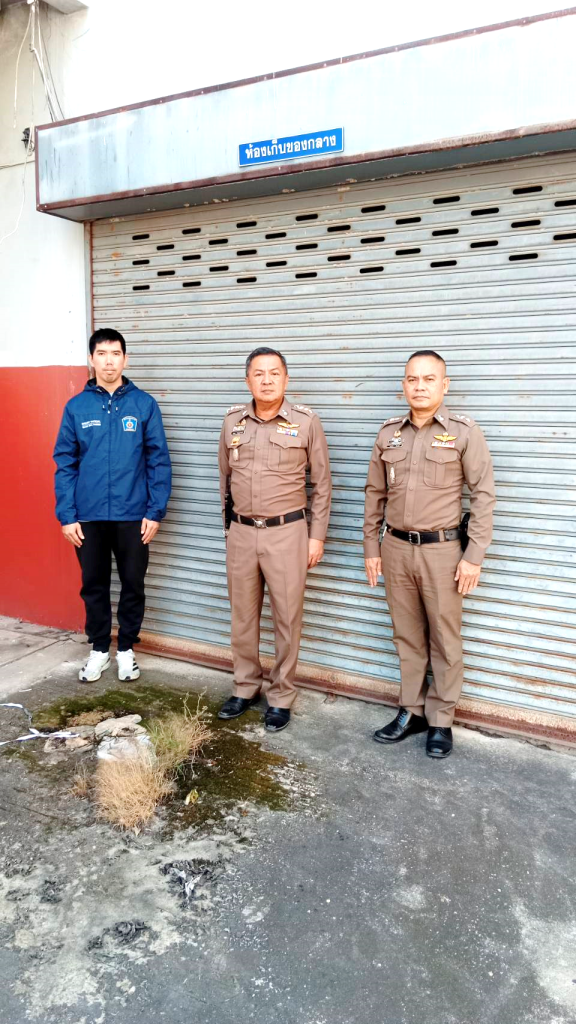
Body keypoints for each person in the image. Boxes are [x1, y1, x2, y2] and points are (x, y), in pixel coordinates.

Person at [363, 350, 495, 758]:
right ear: (403, 385)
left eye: (428, 379)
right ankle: (411, 710)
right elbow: (374, 494)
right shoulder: (389, 434)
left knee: (444, 637)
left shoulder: (464, 432)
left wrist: (473, 555)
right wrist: (371, 547)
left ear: (444, 385)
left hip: (443, 553)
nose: (419, 386)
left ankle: (440, 719)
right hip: (396, 548)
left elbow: (484, 495)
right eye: (412, 379)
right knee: (406, 635)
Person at [217, 347, 331, 732]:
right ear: (247, 380)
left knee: (287, 618)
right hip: (242, 533)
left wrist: (316, 537)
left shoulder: (306, 422)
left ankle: (281, 696)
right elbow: (224, 480)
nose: (267, 380)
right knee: (242, 616)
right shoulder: (232, 422)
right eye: (259, 374)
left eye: (274, 373)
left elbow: (323, 485)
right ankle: (245, 687)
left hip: (287, 534)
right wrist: (229, 529)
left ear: (286, 379)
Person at [53, 328, 172, 684]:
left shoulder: (144, 405)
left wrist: (154, 511)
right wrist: (67, 515)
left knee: (133, 583)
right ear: (91, 359)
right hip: (87, 516)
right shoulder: (76, 407)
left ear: (125, 359)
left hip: (133, 515)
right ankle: (100, 649)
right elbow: (65, 463)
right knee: (93, 584)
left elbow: (158, 461)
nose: (109, 361)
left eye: (115, 354)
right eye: (102, 354)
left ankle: (126, 650)